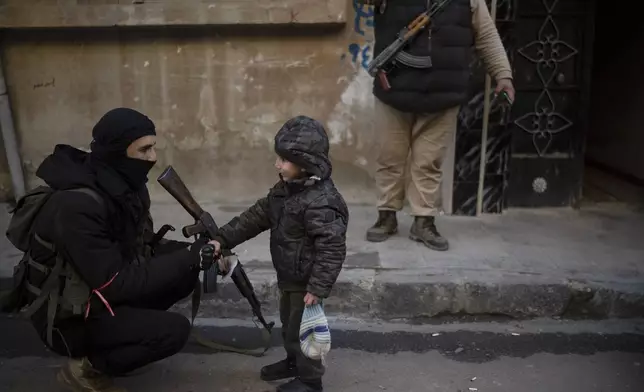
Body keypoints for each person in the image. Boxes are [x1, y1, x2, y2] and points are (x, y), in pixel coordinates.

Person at [16, 108, 219, 392]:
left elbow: (143, 244)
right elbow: (115, 283)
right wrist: (189, 256)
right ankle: (86, 368)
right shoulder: (78, 206)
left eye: (153, 147)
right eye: (144, 149)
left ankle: (122, 344)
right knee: (174, 331)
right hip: (68, 319)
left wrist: (198, 252)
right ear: (117, 152)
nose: (153, 158)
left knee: (185, 272)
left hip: (97, 296)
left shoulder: (123, 185)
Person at [209, 115, 349, 392]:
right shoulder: (284, 191)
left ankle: (310, 382)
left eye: (284, 160)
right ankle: (293, 361)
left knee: (305, 330)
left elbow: (332, 248)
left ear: (305, 163)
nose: (277, 165)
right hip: (289, 276)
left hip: (306, 282)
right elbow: (255, 217)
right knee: (289, 325)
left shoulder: (322, 202)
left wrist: (318, 287)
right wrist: (221, 238)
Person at [364, 0, 515, 250]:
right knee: (390, 156)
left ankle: (423, 220)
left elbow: (486, 34)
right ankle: (386, 215)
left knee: (429, 161)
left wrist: (503, 75)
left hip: (444, 92)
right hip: (394, 90)